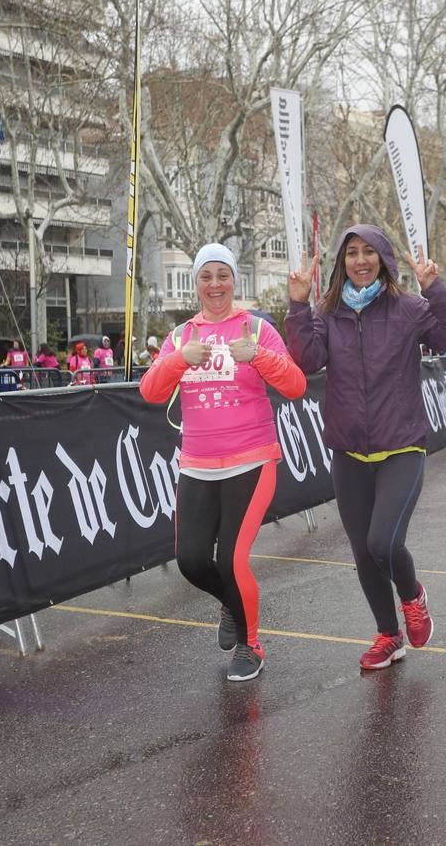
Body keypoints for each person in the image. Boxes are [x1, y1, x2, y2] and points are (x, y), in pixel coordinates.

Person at [284, 223, 446, 669]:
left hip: (401, 447)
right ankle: (388, 635)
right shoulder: (326, 312)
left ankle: (413, 595)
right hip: (348, 451)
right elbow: (306, 360)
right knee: (363, 553)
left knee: (383, 542)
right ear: (341, 262)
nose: (360, 260)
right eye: (351, 252)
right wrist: (297, 304)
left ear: (385, 259)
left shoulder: (409, 309)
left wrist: (436, 289)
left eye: (368, 251)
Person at [140, 242, 306, 681]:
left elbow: (295, 385)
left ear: (235, 281)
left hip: (252, 461)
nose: (215, 284)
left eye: (223, 275)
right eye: (206, 276)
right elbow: (150, 392)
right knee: (192, 561)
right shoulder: (180, 336)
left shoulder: (256, 328)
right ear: (196, 283)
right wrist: (177, 360)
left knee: (233, 559)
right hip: (197, 463)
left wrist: (260, 356)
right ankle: (234, 606)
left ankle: (251, 646)